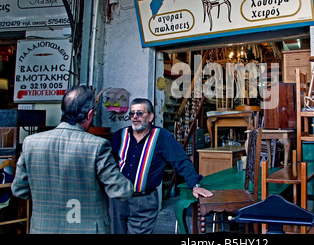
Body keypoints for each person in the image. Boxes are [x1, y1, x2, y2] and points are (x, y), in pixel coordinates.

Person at [12, 85, 133, 234]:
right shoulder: (97, 146)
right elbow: (121, 190)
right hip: (87, 229)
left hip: (43, 228)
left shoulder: (31, 143)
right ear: (89, 114)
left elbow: (19, 189)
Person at [109, 98, 212, 234]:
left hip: (144, 202)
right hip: (117, 200)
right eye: (132, 113)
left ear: (150, 116)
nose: (135, 117)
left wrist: (195, 185)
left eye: (139, 113)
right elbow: (108, 163)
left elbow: (181, 161)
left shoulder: (162, 137)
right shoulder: (120, 135)